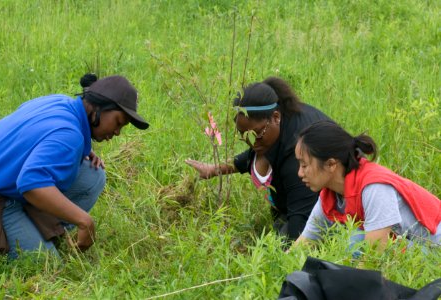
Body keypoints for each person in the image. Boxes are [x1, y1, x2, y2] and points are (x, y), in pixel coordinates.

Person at [0, 73, 149, 258]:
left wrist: (81, 148)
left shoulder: (61, 102)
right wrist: (84, 221)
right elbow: (31, 183)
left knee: (92, 175)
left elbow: (36, 134)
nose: (117, 132)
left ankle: (36, 230)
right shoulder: (69, 135)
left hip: (4, 180)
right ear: (99, 108)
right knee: (45, 264)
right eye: (118, 122)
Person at [186, 77, 331, 241]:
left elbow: (300, 221)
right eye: (244, 136)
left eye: (257, 135)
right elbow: (253, 153)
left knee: (283, 242)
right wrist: (214, 169)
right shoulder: (276, 123)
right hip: (304, 200)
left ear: (276, 117)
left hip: (342, 209)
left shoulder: (297, 155)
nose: (252, 143)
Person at [294, 120, 441, 250]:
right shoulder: (330, 196)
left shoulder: (374, 187)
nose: (300, 173)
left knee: (356, 243)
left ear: (331, 164)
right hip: (411, 247)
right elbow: (305, 243)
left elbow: (373, 257)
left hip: (435, 251)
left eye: (304, 165)